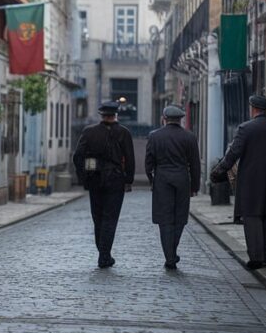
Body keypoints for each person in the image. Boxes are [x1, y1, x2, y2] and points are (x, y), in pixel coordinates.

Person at [210, 94, 266, 270]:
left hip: (250, 182)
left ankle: (256, 257)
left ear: (252, 108)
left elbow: (233, 153)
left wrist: (218, 170)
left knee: (252, 217)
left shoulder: (245, 128)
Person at [73, 100, 135, 268]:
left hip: (94, 179)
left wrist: (83, 177)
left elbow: (78, 156)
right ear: (116, 115)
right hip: (115, 179)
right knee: (110, 218)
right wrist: (128, 180)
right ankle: (104, 255)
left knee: (98, 218)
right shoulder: (124, 133)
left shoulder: (89, 132)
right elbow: (130, 159)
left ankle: (103, 253)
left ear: (101, 115)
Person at [145, 105, 200, 270]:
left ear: (164, 118)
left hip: (162, 179)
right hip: (182, 179)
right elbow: (195, 164)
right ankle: (172, 252)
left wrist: (151, 180)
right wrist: (194, 186)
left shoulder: (155, 137)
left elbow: (148, 163)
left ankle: (169, 255)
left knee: (164, 219)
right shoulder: (189, 137)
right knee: (179, 218)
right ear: (180, 119)